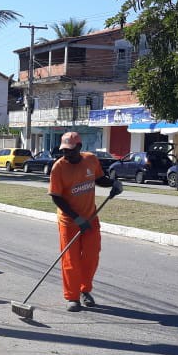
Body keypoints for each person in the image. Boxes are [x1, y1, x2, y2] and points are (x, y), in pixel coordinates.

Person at [49, 131, 113, 312]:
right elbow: (56, 197)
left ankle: (85, 290)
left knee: (91, 257)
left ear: (79, 147)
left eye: (70, 150)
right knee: (71, 261)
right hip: (69, 222)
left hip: (91, 218)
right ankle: (72, 297)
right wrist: (76, 218)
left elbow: (99, 179)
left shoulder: (91, 160)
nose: (66, 154)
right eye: (64, 150)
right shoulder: (58, 168)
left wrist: (114, 184)